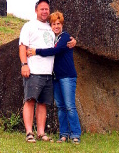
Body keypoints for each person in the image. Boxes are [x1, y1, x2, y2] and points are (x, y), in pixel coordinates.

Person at [19, 0, 75, 143]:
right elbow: (22, 46)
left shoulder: (50, 28)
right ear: (36, 10)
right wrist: (24, 64)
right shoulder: (29, 26)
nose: (44, 11)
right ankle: (29, 132)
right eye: (42, 8)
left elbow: (61, 38)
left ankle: (41, 132)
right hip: (33, 70)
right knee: (30, 100)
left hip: (48, 73)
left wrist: (73, 40)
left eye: (47, 9)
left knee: (43, 103)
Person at [27, 11, 81, 144]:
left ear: (62, 24)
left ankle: (75, 134)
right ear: (50, 26)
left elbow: (55, 51)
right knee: (61, 107)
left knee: (69, 106)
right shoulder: (52, 38)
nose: (56, 26)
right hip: (56, 77)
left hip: (67, 76)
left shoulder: (65, 37)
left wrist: (36, 51)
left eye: (58, 23)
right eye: (53, 24)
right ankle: (63, 134)